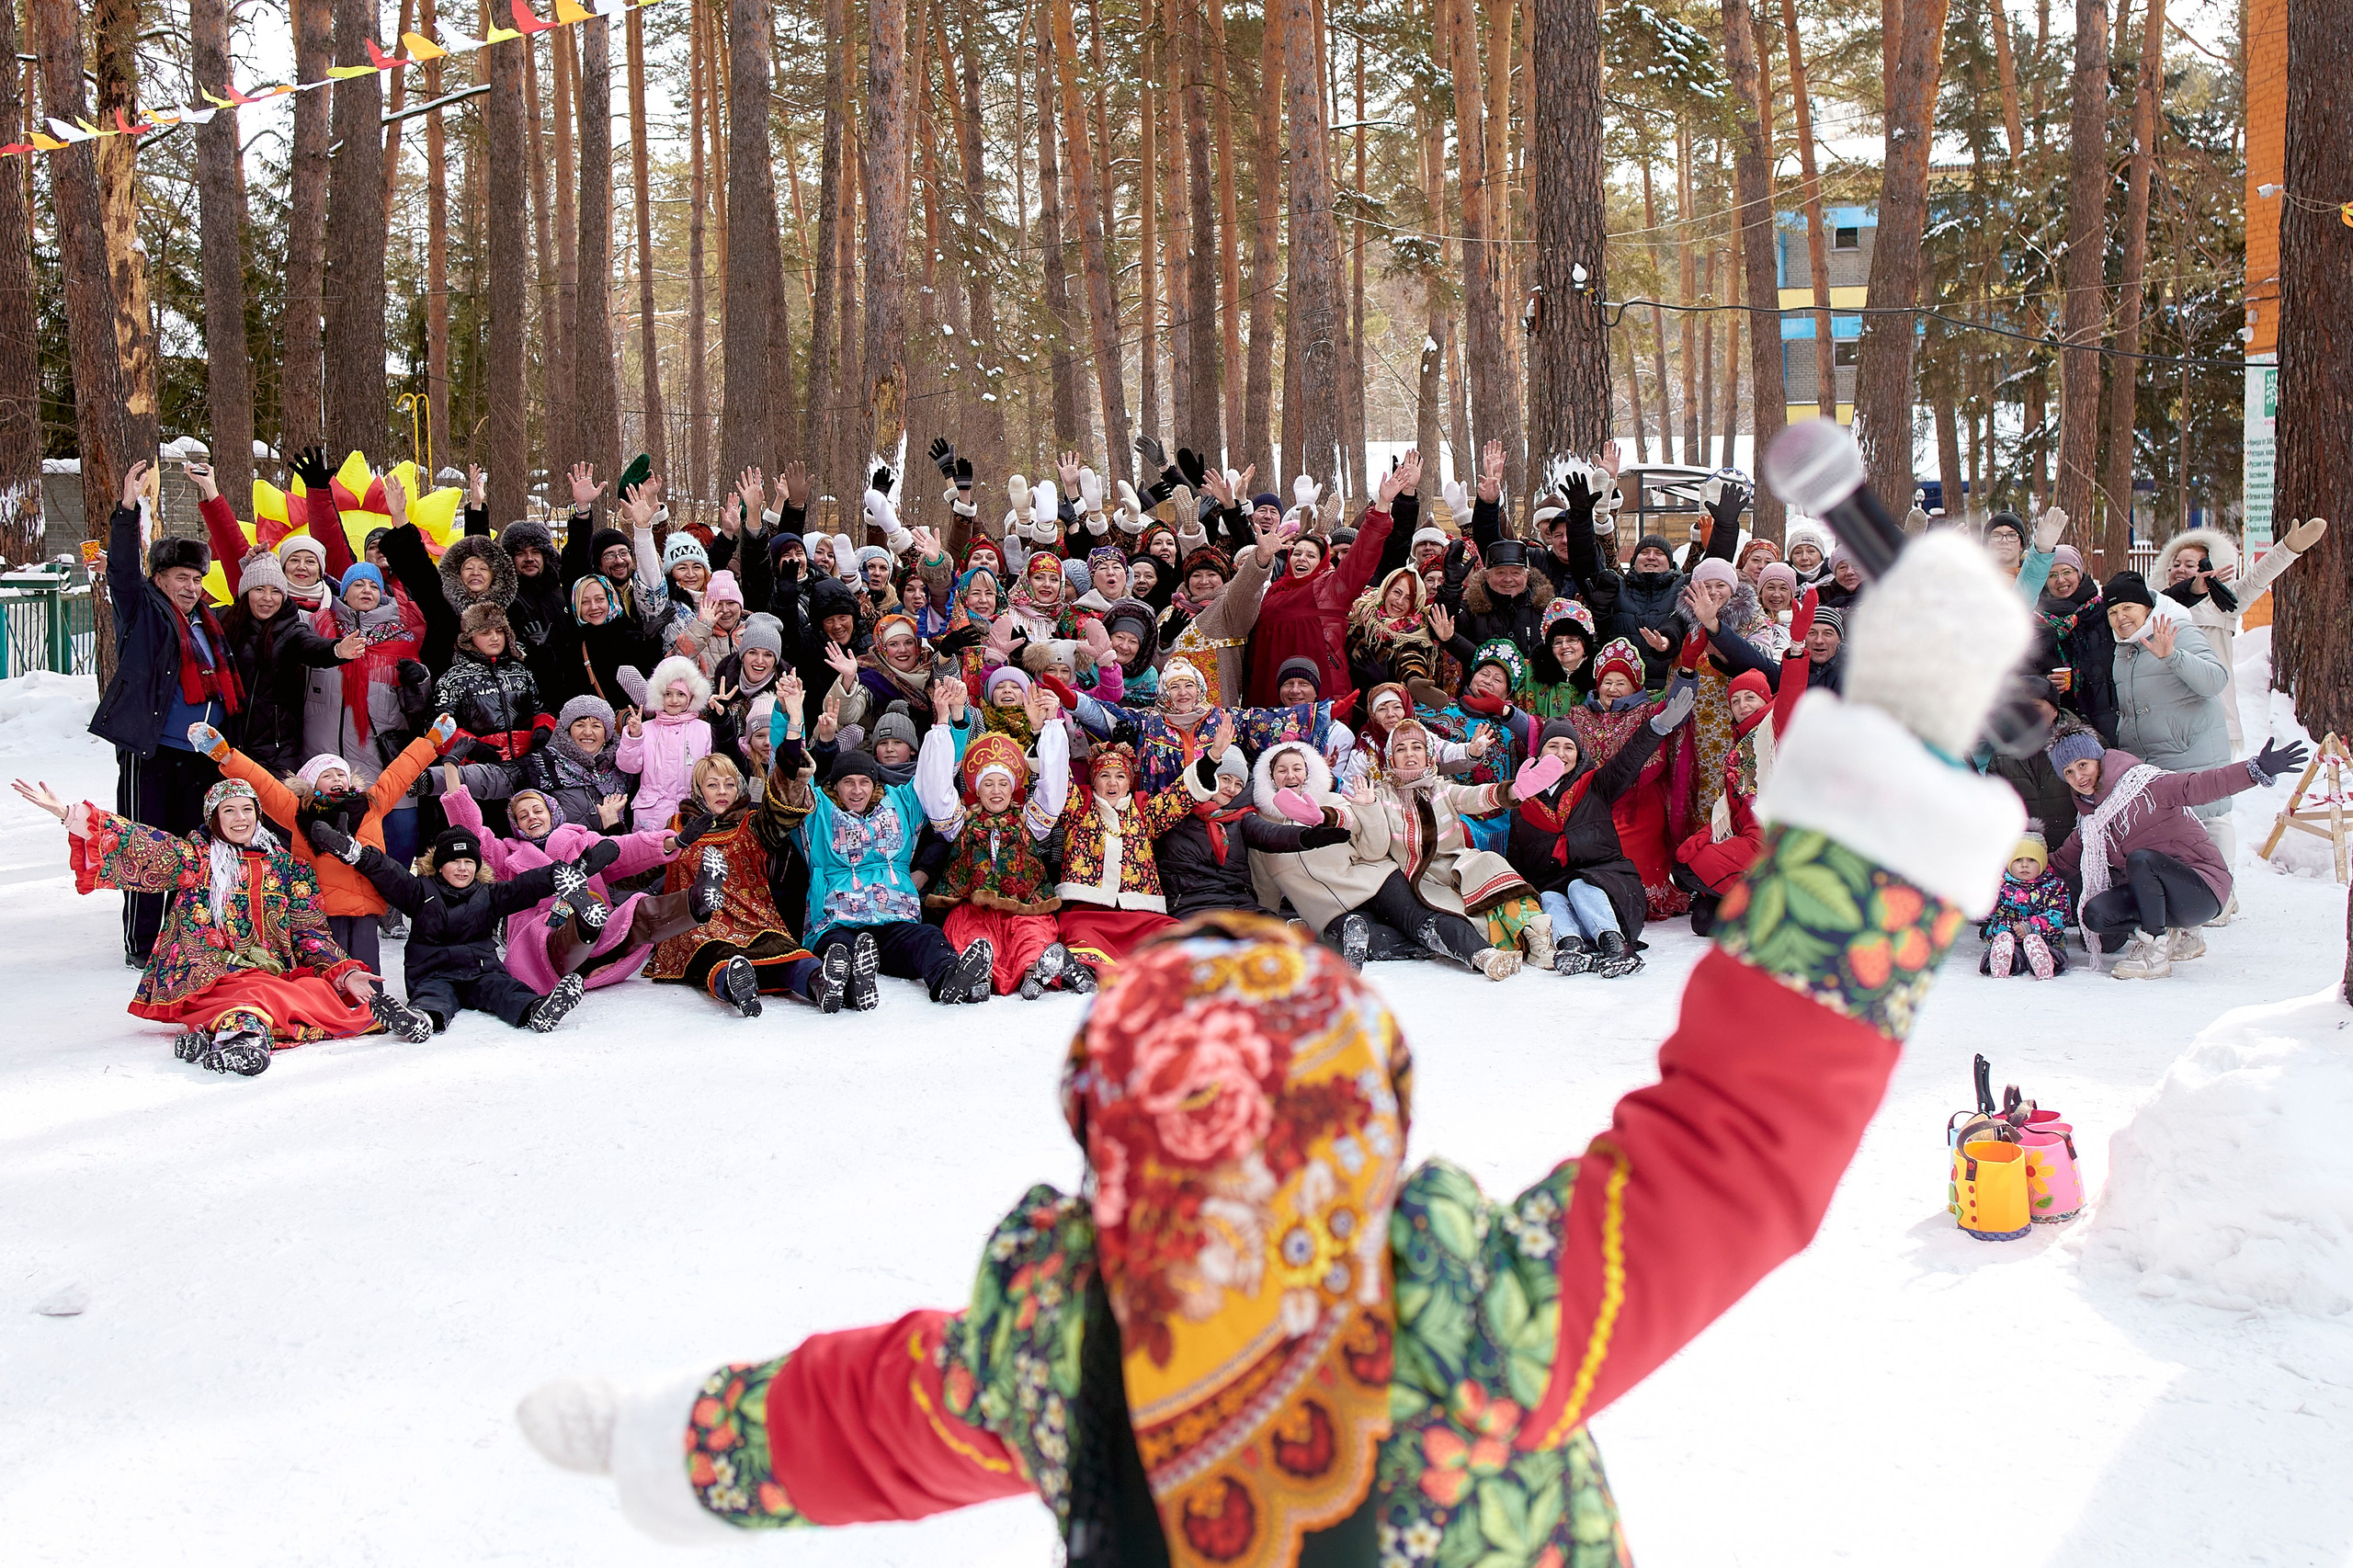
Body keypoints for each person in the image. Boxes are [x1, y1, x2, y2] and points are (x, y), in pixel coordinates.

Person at [517, 525, 2039, 1564]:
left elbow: (861, 1421)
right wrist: (1891, 764)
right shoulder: (1463, 1320)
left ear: (1111, 1125)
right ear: (1364, 1109)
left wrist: (675, 1439)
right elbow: (1737, 1151)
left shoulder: (1062, 1343)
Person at [13, 774, 381, 1074]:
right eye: (229, 811)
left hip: (269, 974)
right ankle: (240, 1036)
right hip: (209, 972)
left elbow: (309, 932)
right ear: (214, 818)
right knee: (255, 994)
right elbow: (140, 843)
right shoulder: (196, 859)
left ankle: (226, 1037)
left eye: (247, 810)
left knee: (311, 992)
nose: (240, 819)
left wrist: (344, 973)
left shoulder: (290, 869)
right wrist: (68, 814)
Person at [89, 460, 244, 966]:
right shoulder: (142, 609)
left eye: (197, 578)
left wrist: (214, 497)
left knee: (193, 851)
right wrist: (128, 510)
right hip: (152, 753)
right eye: (182, 577)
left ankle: (189, 935)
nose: (192, 586)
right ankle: (143, 943)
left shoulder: (211, 623)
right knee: (145, 844)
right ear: (159, 578)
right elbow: (119, 572)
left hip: (204, 758)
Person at [186, 716, 459, 979]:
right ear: (311, 784)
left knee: (366, 970)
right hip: (321, 908)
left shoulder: (371, 804)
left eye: (341, 773)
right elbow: (263, 784)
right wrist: (225, 755)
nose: (337, 779)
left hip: (365, 903)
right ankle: (329, 1009)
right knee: (329, 969)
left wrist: (431, 741)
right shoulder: (298, 811)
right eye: (327, 775)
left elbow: (400, 772)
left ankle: (369, 1008)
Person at [2045, 723, 2307, 978]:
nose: (2078, 777)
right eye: (2068, 772)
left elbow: (2202, 785)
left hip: (2202, 889)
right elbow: (2059, 863)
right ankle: (2175, 931)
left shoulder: (2147, 785)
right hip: (2157, 896)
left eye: (2083, 765)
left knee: (2142, 860)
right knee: (2095, 914)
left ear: (2099, 759)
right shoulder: (2092, 822)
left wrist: (2254, 770)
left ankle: (2155, 950)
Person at [440, 774, 721, 997]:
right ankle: (586, 920)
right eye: (523, 816)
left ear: (552, 813)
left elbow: (626, 848)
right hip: (549, 955)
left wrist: (675, 841)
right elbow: (471, 834)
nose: (532, 818)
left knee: (636, 910)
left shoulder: (579, 841)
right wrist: (452, 771)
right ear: (517, 826)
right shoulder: (507, 857)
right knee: (557, 931)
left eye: (537, 810)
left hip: (604, 947)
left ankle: (697, 902)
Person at [312, 820, 594, 1035]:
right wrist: (357, 854)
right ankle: (420, 1021)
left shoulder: (490, 894)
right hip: (433, 973)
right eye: (454, 861)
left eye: (468, 862)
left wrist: (557, 873)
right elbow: (389, 873)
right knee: (433, 997)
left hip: (480, 971)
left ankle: (536, 1011)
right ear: (440, 866)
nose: (462, 868)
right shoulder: (419, 891)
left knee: (505, 989)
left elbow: (525, 886)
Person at [783, 731, 996, 1007]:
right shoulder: (817, 810)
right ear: (835, 786)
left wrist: (950, 723)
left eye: (864, 782)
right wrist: (792, 722)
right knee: (838, 950)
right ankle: (846, 988)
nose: (857, 790)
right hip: (839, 920)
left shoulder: (900, 803)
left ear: (875, 784)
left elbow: (936, 774)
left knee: (929, 938)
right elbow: (790, 773)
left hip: (894, 919)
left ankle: (951, 979)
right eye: (848, 783)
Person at [1509, 681, 1696, 978]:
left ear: (1578, 754)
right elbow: (1517, 866)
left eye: (1568, 747)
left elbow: (1627, 761)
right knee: (1550, 896)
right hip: (1560, 897)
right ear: (1540, 753)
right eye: (1553, 746)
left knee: (1578, 885)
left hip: (1610, 889)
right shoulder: (1523, 808)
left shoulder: (1595, 785)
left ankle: (1616, 946)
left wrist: (1658, 727)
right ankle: (1570, 947)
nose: (1560, 753)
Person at [650, 749, 844, 1016]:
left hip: (752, 919)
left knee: (782, 950)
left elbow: (780, 809)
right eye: (712, 785)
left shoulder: (752, 824)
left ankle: (821, 983)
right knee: (717, 954)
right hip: (699, 926)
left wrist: (792, 732)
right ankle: (739, 987)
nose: (722, 791)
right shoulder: (676, 828)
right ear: (698, 790)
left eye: (729, 784)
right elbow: (645, 865)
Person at [1674, 592, 1817, 933]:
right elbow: (1734, 815)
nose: (1742, 704)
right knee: (1702, 918)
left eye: (1750, 696)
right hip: (1749, 841)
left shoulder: (1777, 725)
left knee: (1695, 871)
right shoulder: (1738, 750)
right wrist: (1708, 834)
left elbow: (1792, 693)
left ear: (1766, 698)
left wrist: (1797, 647)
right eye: (1735, 699)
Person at [916, 703, 1079, 999]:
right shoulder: (959, 821)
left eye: (1003, 783)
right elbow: (935, 791)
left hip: (1025, 905)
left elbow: (1053, 788)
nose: (996, 790)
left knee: (1033, 936)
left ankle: (1036, 971)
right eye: (988, 784)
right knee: (971, 938)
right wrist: (941, 727)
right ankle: (979, 976)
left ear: (1013, 788)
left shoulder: (1031, 820)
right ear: (977, 790)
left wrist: (1048, 729)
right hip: (975, 909)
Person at [1245, 454, 1411, 704]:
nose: (1301, 558)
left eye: (1311, 555)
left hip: (1322, 693)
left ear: (1324, 561)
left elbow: (1362, 556)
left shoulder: (1330, 587)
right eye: (1296, 553)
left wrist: (1382, 506)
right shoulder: (1271, 592)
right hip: (1268, 692)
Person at [2103, 572, 2237, 878]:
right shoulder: (2124, 649)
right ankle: (2191, 899)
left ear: (2146, 608)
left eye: (2127, 608)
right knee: (2173, 828)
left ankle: (2223, 893)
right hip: (2153, 760)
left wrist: (2172, 656)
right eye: (2112, 611)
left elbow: (2215, 680)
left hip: (2193, 749)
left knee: (2209, 819)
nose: (2120, 617)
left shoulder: (2179, 630)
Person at [2157, 517, 2325, 747]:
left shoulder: (2222, 604)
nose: (2180, 569)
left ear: (2208, 568)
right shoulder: (2153, 607)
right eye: (2176, 564)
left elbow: (2256, 580)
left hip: (2214, 722)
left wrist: (2287, 548)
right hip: (2165, 724)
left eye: (2190, 564)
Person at [616, 656, 716, 834]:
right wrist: (634, 736)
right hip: (651, 814)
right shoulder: (646, 729)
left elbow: (710, 773)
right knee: (649, 858)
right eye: (667, 694)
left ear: (692, 696)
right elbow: (628, 766)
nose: (674, 700)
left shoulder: (704, 730)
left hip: (689, 812)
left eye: (680, 694)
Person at [2035, 545, 2117, 741]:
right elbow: (2027, 669)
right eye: (2052, 575)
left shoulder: (2101, 610)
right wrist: (2044, 683)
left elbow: (2143, 605)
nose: (2061, 580)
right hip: (2059, 718)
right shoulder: (2037, 619)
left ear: (2079, 572)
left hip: (2103, 711)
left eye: (2067, 572)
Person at [1978, 827, 2071, 980]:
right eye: (2018, 860)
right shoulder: (2001, 885)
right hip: (2008, 935)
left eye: (2032, 860)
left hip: (2044, 938)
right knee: (2007, 950)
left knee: (2053, 952)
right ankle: (2003, 959)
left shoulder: (2054, 886)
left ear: (2042, 863)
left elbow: (2060, 914)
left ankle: (2044, 960)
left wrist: (2033, 926)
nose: (2024, 865)